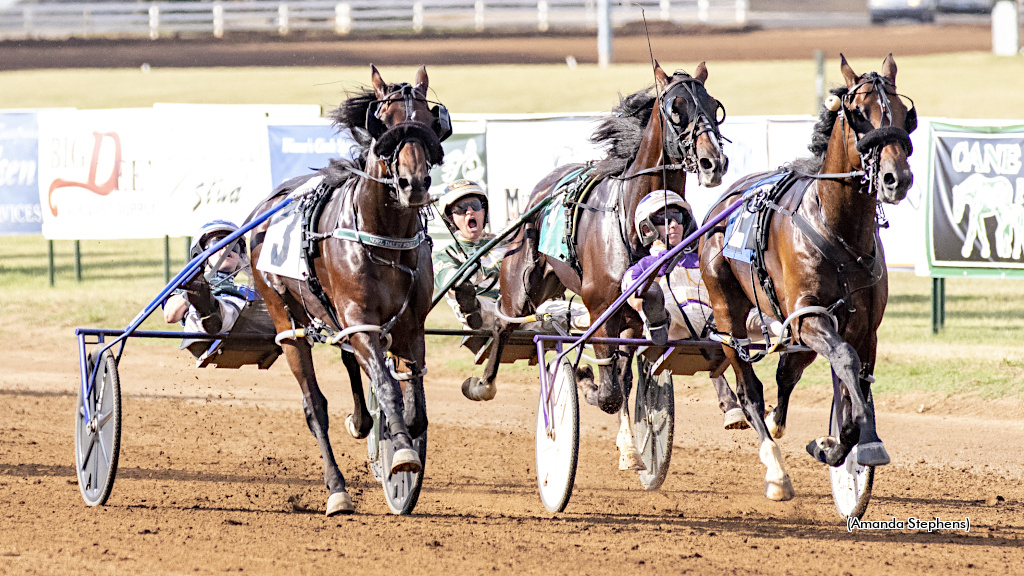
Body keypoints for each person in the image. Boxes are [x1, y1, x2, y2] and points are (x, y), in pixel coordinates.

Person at [621, 190, 748, 430]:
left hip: (706, 324)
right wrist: (658, 263)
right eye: (664, 218)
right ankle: (659, 320)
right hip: (669, 328)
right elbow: (635, 302)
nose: (674, 224)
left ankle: (784, 328)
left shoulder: (702, 258)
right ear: (647, 228)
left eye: (678, 218)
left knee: (731, 318)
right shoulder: (641, 267)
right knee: (671, 306)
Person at [433, 179, 586, 333]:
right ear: (451, 218)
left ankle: (606, 323)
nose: (469, 211)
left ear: (484, 211)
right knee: (466, 294)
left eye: (475, 205)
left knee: (584, 314)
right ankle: (471, 308)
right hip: (486, 312)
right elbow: (450, 283)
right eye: (460, 208)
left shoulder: (506, 240)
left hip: (524, 308)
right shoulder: (445, 255)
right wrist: (465, 284)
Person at [164, 220, 274, 358]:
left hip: (247, 326)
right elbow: (170, 315)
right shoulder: (187, 288)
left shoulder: (247, 290)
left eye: (234, 247)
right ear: (201, 254)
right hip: (201, 330)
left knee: (256, 307)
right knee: (200, 311)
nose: (227, 248)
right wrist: (194, 292)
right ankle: (208, 309)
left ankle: (212, 310)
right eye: (218, 243)